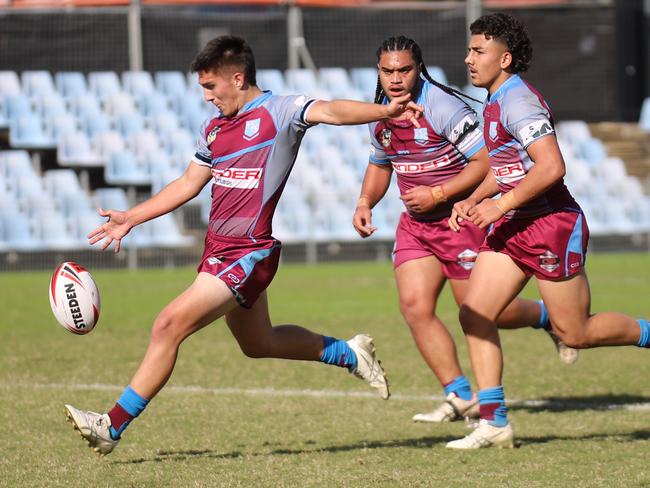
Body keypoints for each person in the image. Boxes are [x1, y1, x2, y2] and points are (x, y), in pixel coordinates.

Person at [64, 35, 424, 456]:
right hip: (217, 249)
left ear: (237, 78)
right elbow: (187, 184)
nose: (206, 97)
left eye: (211, 87)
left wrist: (384, 109)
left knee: (168, 325)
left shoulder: (280, 111)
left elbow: (330, 110)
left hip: (250, 252)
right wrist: (131, 217)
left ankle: (112, 425)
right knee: (259, 344)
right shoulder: (214, 128)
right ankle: (349, 353)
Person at [445, 13, 650, 449]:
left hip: (549, 226)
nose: (468, 59)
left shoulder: (518, 102)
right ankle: (494, 421)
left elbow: (552, 167)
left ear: (505, 58)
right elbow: (506, 169)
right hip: (515, 225)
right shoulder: (495, 99)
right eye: (469, 50)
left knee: (577, 332)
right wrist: (474, 198)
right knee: (475, 312)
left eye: (478, 51)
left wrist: (498, 204)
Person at [352, 35, 578, 424]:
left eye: (404, 70)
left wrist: (439, 192)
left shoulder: (443, 107)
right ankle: (459, 395)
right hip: (415, 226)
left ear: (418, 69)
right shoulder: (382, 114)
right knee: (414, 307)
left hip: (459, 220)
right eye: (387, 71)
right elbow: (380, 164)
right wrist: (364, 202)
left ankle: (545, 318)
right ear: (378, 72)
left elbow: (485, 163)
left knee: (479, 312)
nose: (395, 78)